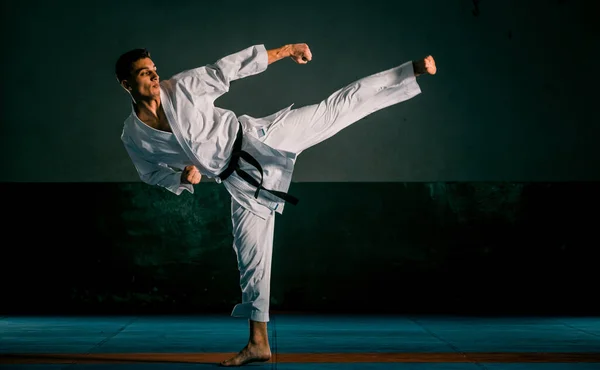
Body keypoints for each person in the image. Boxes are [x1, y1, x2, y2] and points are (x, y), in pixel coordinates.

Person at [115, 42, 436, 366]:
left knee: (334, 109)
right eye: (145, 74)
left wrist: (288, 50)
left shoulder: (182, 87)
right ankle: (258, 343)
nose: (155, 77)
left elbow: (230, 67)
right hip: (238, 182)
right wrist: (181, 179)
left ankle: (408, 72)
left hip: (261, 138)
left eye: (154, 70)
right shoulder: (134, 136)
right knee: (250, 256)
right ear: (127, 84)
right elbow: (150, 173)